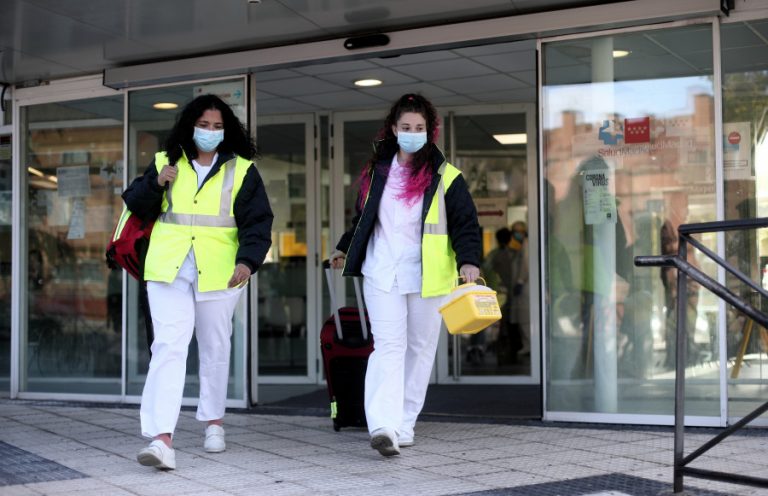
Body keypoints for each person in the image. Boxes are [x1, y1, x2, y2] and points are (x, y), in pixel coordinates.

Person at [123, 94, 273, 470]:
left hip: (220, 270)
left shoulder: (242, 171)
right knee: (169, 347)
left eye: (217, 126)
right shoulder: (165, 161)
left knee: (214, 345)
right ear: (190, 125)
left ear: (227, 131)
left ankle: (213, 421)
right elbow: (135, 204)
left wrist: (247, 262)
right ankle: (161, 439)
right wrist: (157, 183)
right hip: (167, 269)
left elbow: (258, 223)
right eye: (203, 125)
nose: (209, 132)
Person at [330, 93, 481, 457]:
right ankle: (382, 424)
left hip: (429, 276)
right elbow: (364, 220)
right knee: (388, 346)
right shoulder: (376, 172)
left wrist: (469, 261)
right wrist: (344, 247)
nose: (412, 133)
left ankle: (405, 422)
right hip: (382, 270)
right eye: (406, 127)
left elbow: (465, 224)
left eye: (419, 128)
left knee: (419, 348)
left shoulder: (447, 176)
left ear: (429, 132)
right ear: (393, 130)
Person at [509, 221, 530, 358]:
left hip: (526, 287)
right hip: (521, 287)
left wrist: (520, 281)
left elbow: (525, 264)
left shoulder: (526, 244)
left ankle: (529, 345)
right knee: (522, 318)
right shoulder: (519, 246)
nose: (518, 233)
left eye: (520, 231)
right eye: (515, 231)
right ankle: (526, 345)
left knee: (525, 319)